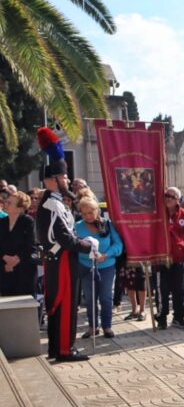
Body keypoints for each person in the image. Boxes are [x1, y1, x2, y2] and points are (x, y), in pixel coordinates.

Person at [35, 128, 98, 361]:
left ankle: (58, 347)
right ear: (51, 180)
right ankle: (63, 349)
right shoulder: (51, 205)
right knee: (64, 304)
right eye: (63, 177)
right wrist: (87, 245)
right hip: (61, 260)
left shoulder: (56, 202)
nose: (67, 180)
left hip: (61, 259)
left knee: (63, 306)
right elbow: (63, 238)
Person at [74, 195, 123, 339]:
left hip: (106, 265)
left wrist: (106, 254)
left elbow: (118, 244)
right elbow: (74, 246)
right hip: (86, 265)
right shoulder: (77, 226)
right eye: (84, 213)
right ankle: (93, 326)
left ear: (97, 210)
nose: (88, 216)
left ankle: (107, 326)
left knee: (106, 297)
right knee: (90, 298)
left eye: (90, 212)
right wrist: (88, 253)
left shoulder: (106, 224)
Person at [156, 187, 184, 330]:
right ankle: (161, 317)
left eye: (171, 196)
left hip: (178, 259)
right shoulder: (158, 214)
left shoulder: (183, 214)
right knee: (162, 289)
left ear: (178, 199)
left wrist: (182, 250)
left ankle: (178, 318)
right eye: (166, 195)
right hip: (161, 259)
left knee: (179, 289)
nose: (168, 198)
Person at [0, 191, 38, 297]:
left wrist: (14, 260)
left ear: (20, 208)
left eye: (9, 203)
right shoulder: (1, 223)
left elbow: (30, 245)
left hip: (24, 270)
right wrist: (5, 258)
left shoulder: (28, 222)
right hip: (5, 269)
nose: (5, 204)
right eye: (6, 202)